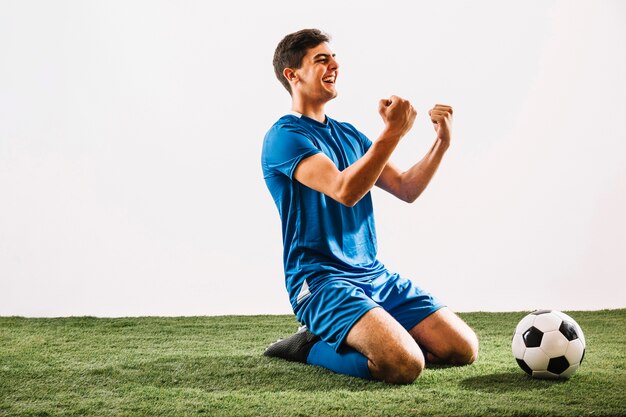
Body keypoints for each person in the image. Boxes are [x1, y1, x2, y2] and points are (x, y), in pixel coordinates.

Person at [261, 28, 478, 384]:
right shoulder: (285, 137)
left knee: (462, 348)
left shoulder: (349, 135)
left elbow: (407, 188)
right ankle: (308, 345)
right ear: (292, 74)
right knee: (403, 366)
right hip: (320, 281)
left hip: (373, 275)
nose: (335, 64)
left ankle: (370, 336)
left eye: (334, 57)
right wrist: (392, 133)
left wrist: (442, 143)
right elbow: (344, 190)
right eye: (321, 59)